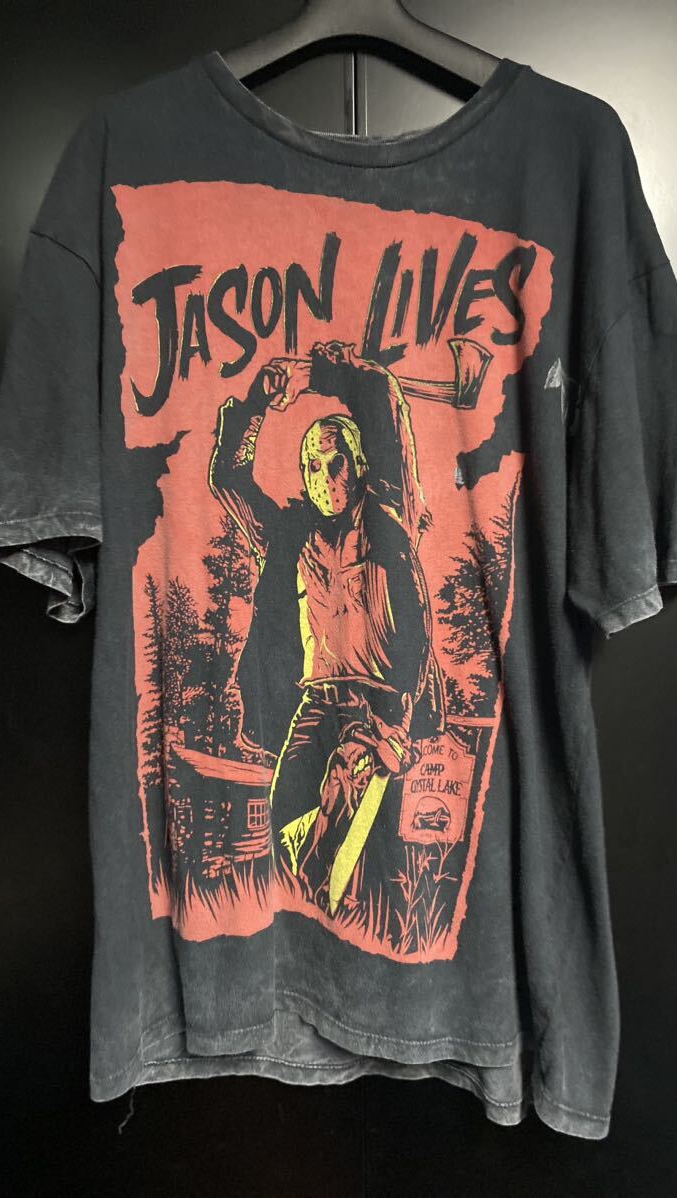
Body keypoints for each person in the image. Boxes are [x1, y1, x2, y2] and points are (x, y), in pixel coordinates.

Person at [208, 340, 446, 914]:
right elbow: (229, 480)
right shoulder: (291, 536)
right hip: (317, 702)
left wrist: (322, 371)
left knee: (360, 825)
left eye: (334, 462)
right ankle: (318, 894)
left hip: (385, 702)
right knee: (287, 810)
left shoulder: (391, 514)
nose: (322, 477)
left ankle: (351, 906)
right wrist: (255, 406)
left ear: (360, 465)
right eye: (311, 467)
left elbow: (384, 401)